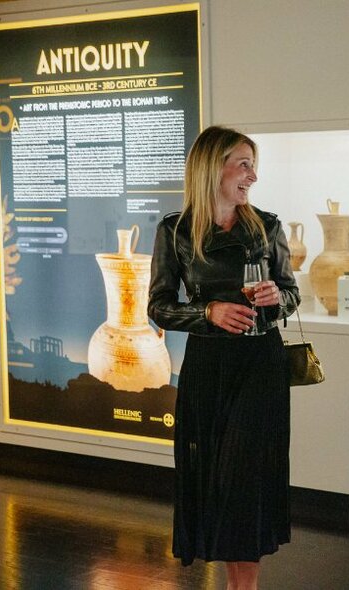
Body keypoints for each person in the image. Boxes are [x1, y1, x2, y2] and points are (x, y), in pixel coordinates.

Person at [148, 126, 299, 590]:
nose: (252, 175)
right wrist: (206, 311)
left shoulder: (266, 226)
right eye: (243, 163)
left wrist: (277, 297)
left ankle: (243, 585)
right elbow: (157, 306)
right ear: (213, 167)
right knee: (213, 472)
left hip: (259, 363)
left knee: (245, 474)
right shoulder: (173, 232)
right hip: (209, 368)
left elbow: (291, 295)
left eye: (253, 164)